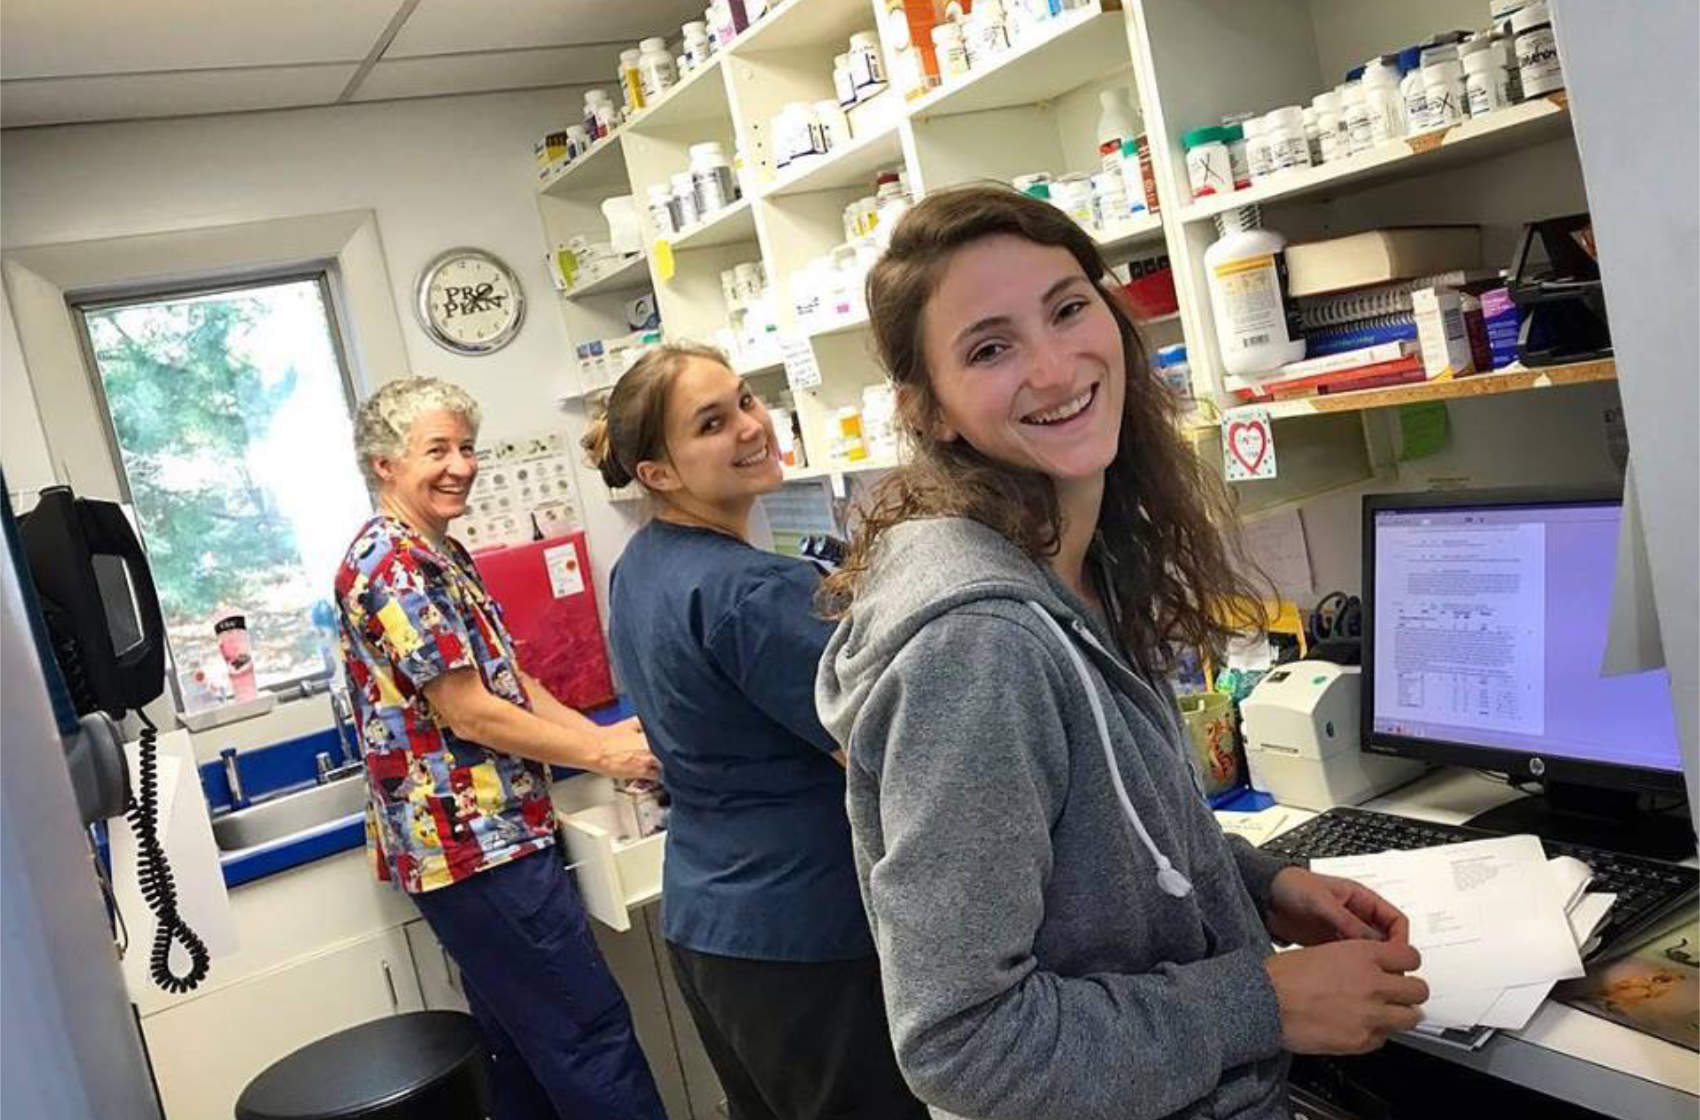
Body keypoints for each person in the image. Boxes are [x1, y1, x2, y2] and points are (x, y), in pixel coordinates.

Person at [814, 186, 1430, 1120]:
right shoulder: (978, 647)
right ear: (928, 409)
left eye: (1067, 308)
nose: (1057, 367)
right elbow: (963, 1043)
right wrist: (1261, 1002)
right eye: (990, 348)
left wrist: (1260, 886)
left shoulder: (1069, 566)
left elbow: (1093, 859)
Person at [584, 345, 927, 1120]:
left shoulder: (641, 566)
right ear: (658, 474)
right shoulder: (753, 590)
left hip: (711, 926)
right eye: (712, 423)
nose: (750, 427)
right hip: (808, 932)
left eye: (744, 401)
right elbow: (883, 754)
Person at [335, 376, 666, 1120]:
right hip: (476, 847)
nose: (461, 465)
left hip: (488, 838)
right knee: (589, 1037)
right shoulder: (392, 565)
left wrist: (601, 736)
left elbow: (508, 679)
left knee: (519, 1044)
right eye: (436, 450)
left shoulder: (439, 550)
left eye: (466, 447)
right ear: (385, 464)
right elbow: (472, 713)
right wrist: (604, 759)